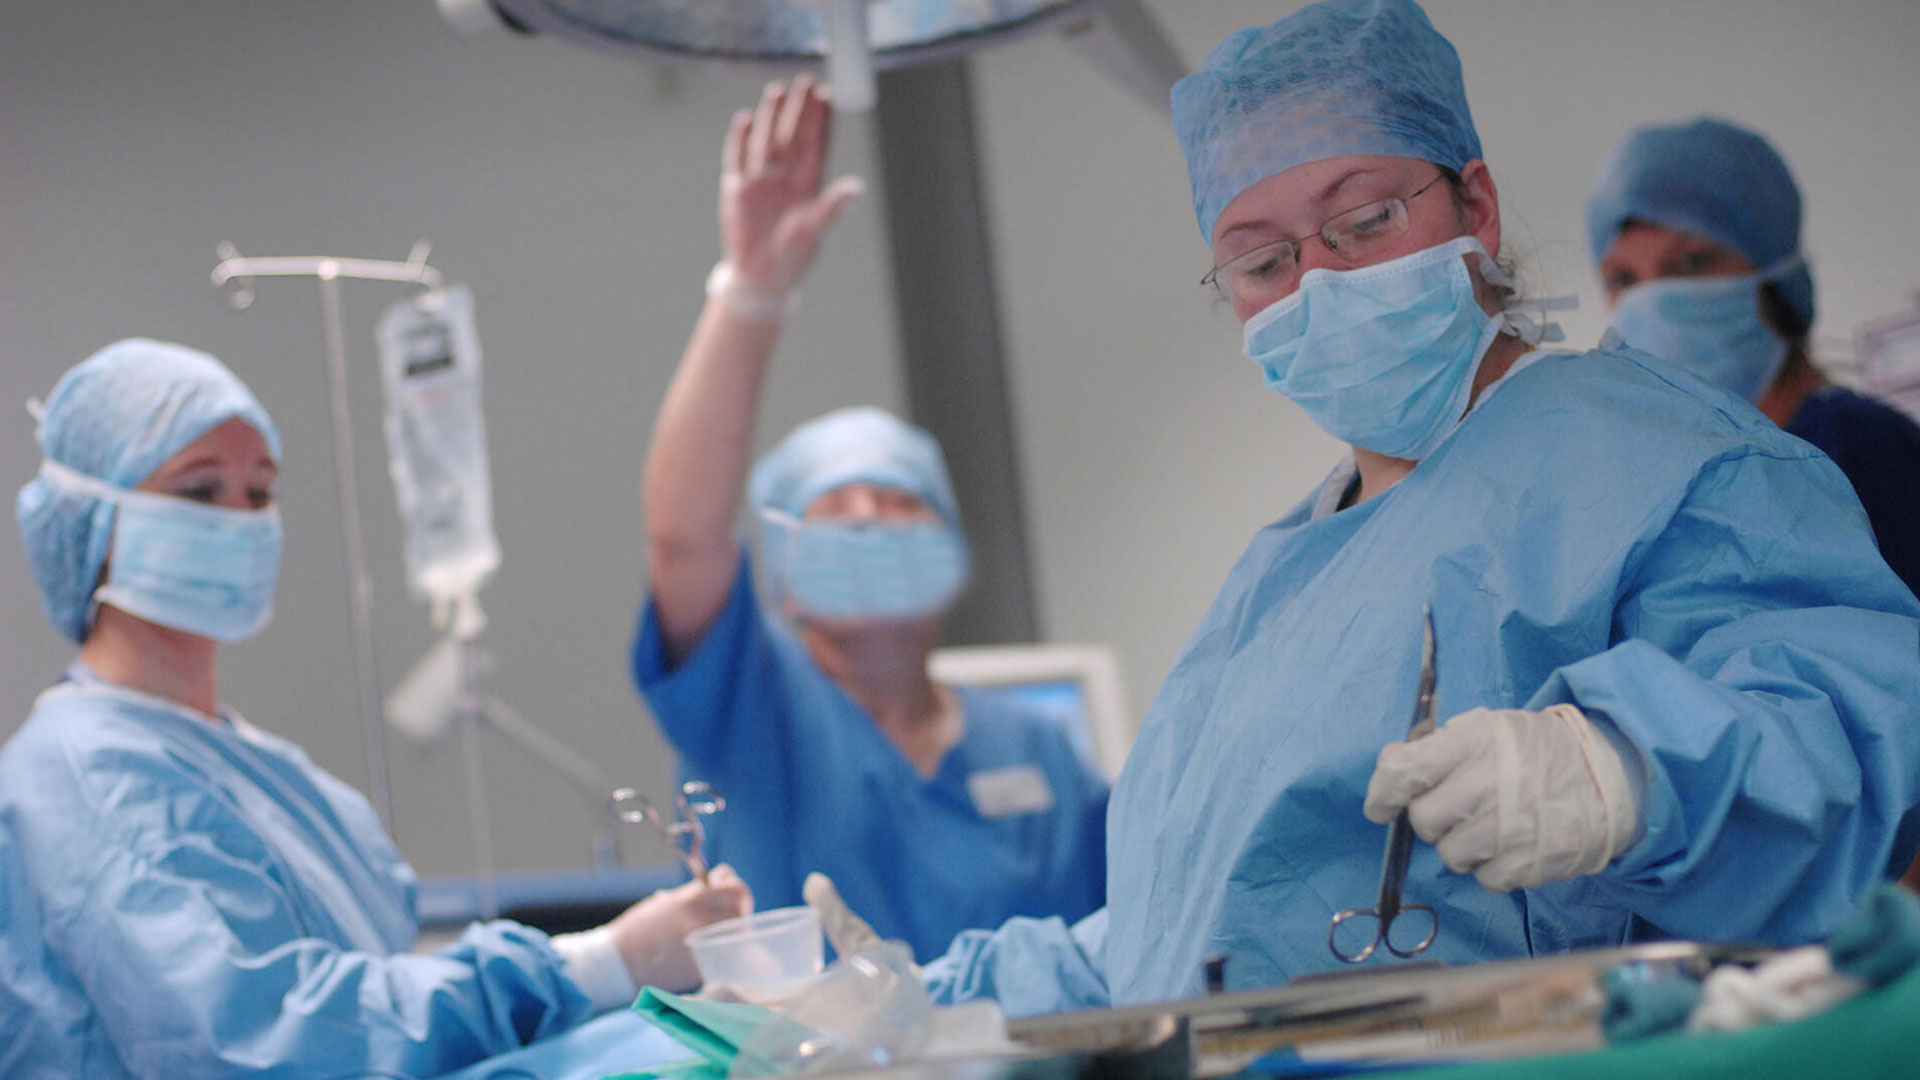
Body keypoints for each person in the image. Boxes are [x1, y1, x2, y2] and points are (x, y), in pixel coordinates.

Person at [853, 0, 1920, 1018]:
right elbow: (1182, 931)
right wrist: (922, 1001)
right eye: (1265, 260)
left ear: (1477, 206)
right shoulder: (1280, 575)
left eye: (1362, 222)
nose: (1320, 282)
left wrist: (1624, 772)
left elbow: (1847, 710)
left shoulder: (1662, 455)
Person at [1, 338, 753, 1080]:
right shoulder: (85, 779)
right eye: (199, 491)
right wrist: (599, 964)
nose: (239, 519)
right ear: (91, 522)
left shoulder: (257, 767)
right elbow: (269, 1042)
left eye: (259, 492)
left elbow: (371, 990)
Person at [632, 76, 1108, 965]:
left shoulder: (1037, 751)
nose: (873, 529)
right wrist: (751, 293)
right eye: (836, 516)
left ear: (951, 546)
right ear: (783, 575)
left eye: (899, 506)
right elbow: (683, 537)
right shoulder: (756, 709)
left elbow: (1135, 935)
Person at [1587, 116, 1920, 603]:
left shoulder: (1851, 451)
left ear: (1774, 279)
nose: (1653, 300)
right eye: (1624, 280)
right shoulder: (1712, 480)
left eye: (1693, 263)